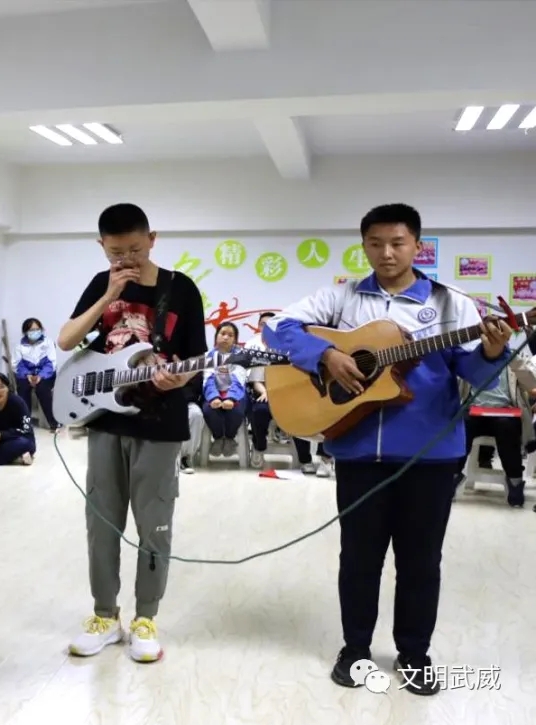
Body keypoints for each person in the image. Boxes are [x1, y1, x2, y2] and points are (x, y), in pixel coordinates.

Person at [263, 203, 512, 695]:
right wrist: (326, 354)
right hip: (358, 451)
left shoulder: (450, 303)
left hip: (430, 455)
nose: (387, 253)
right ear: (364, 246)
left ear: (418, 246)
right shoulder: (342, 297)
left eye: (398, 243)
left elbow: (476, 375)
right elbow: (277, 327)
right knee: (359, 559)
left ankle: (415, 654)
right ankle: (355, 649)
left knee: (421, 561)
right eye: (375, 244)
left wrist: (490, 351)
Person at [55, 202, 207, 663]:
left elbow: (197, 360)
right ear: (101, 246)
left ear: (152, 240)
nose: (127, 259)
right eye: (116, 252)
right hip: (106, 421)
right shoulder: (101, 285)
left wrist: (179, 378)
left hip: (161, 425)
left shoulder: (181, 289)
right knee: (101, 523)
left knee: (154, 524)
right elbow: (66, 340)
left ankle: (146, 617)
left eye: (136, 250)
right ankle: (105, 616)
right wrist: (108, 294)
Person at [456, 344, 536, 507]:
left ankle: (515, 480)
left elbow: (531, 382)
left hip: (505, 411)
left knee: (507, 428)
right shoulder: (473, 356)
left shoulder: (514, 357)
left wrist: (514, 361)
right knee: (462, 425)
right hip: (475, 410)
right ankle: (453, 475)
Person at [202, 322, 249, 459]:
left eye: (230, 335)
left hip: (236, 394)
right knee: (209, 410)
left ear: (235, 339)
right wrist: (213, 397)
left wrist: (231, 398)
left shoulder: (241, 356)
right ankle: (217, 437)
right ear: (216, 336)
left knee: (236, 411)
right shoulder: (208, 356)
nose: (226, 337)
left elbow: (239, 378)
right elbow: (208, 378)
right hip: (214, 393)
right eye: (223, 334)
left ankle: (229, 437)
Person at [13, 317, 60, 430]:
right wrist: (28, 375)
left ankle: (53, 423)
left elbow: (51, 363)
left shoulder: (48, 342)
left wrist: (41, 376)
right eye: (32, 330)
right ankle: (25, 424)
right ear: (25, 332)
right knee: (23, 388)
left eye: (37, 329)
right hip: (26, 375)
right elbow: (17, 364)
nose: (35, 332)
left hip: (46, 375)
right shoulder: (19, 346)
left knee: (42, 388)